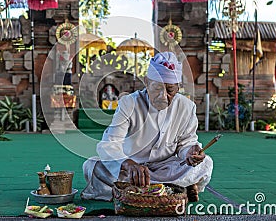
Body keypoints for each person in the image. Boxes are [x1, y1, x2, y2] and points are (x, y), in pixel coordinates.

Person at [81, 52, 213, 202]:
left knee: (205, 163)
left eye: (170, 90)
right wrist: (128, 164)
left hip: (165, 168)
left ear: (178, 87)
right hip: (131, 170)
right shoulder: (129, 103)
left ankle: (135, 191)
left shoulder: (187, 107)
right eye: (157, 88)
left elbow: (186, 143)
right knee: (92, 166)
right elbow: (109, 144)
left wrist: (190, 153)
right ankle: (173, 188)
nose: (163, 96)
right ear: (146, 82)